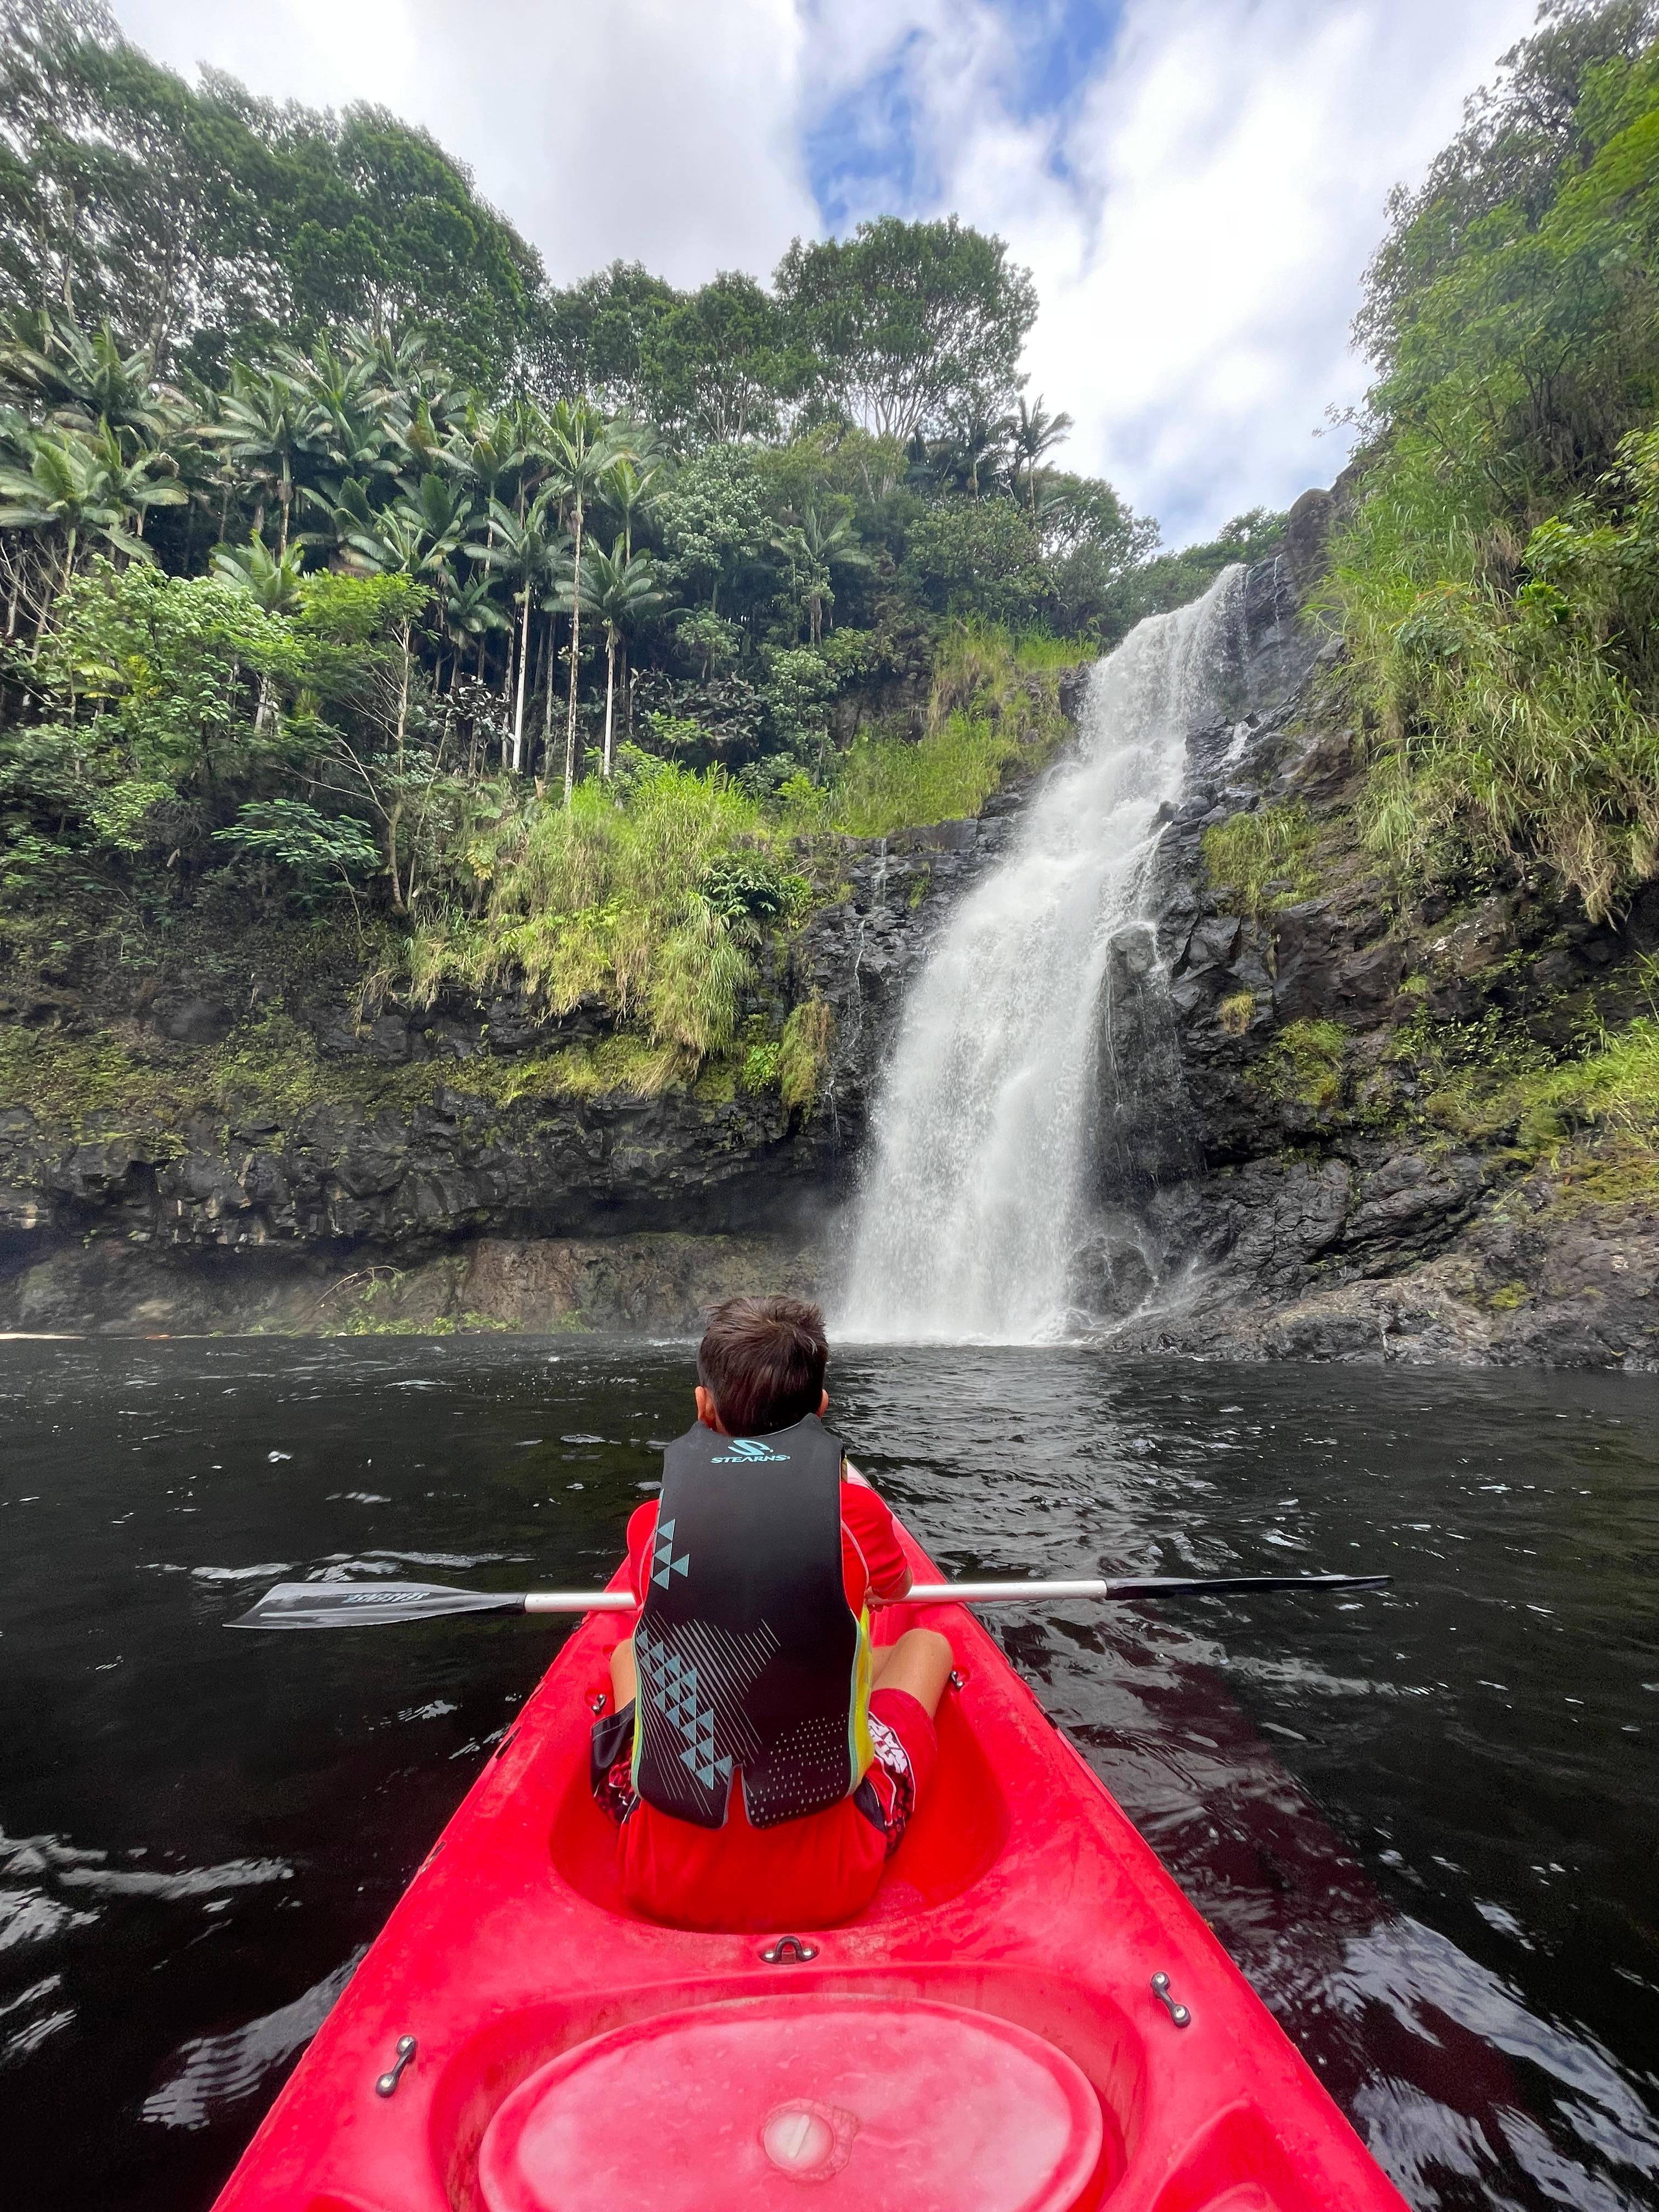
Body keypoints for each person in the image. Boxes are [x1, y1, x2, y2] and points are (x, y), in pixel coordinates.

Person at [590, 1294, 953, 1931]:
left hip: (659, 1875)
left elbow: (680, 1624)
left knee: (628, 1653)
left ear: (703, 1408)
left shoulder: (653, 1529)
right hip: (832, 1879)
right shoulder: (857, 1517)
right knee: (926, 1649)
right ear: (820, 1409)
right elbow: (893, 1593)